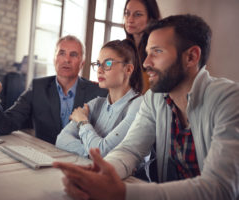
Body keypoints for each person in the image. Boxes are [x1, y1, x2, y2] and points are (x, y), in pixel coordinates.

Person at [53, 14, 239, 200]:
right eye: (148, 53)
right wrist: (100, 176)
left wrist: (122, 193)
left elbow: (221, 188)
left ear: (191, 57)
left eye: (157, 52)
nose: (145, 63)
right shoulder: (154, 99)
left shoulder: (229, 99)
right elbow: (129, 151)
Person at [0, 35, 108, 144]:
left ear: (82, 62)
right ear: (54, 58)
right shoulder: (38, 87)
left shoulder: (98, 93)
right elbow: (5, 125)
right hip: (44, 161)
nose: (67, 59)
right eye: (62, 53)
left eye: (73, 55)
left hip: (81, 163)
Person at [56, 39, 143, 157]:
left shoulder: (139, 105)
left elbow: (102, 151)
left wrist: (82, 121)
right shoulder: (96, 103)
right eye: (98, 64)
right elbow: (61, 140)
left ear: (128, 69)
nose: (100, 70)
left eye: (107, 63)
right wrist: (91, 153)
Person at [123, 0, 160, 93]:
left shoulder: (156, 51)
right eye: (127, 13)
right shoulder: (123, 48)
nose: (130, 19)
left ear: (150, 18)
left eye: (138, 14)